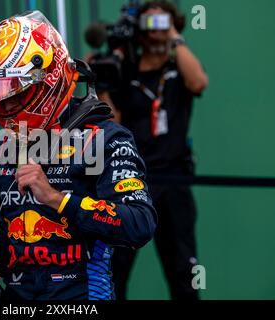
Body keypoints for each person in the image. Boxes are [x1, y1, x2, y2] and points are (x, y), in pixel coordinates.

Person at [0, 10, 157, 300]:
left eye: (13, 94)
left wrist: (56, 198)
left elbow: (139, 225)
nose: (4, 106)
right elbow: (6, 243)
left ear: (48, 79)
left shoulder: (106, 139)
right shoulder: (6, 148)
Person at [95, 1, 208, 300]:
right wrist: (102, 82)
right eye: (150, 23)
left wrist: (173, 34)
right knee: (115, 267)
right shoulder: (124, 71)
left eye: (163, 22)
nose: (156, 29)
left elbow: (198, 82)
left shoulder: (178, 68)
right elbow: (111, 121)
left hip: (174, 180)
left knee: (183, 267)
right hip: (130, 178)